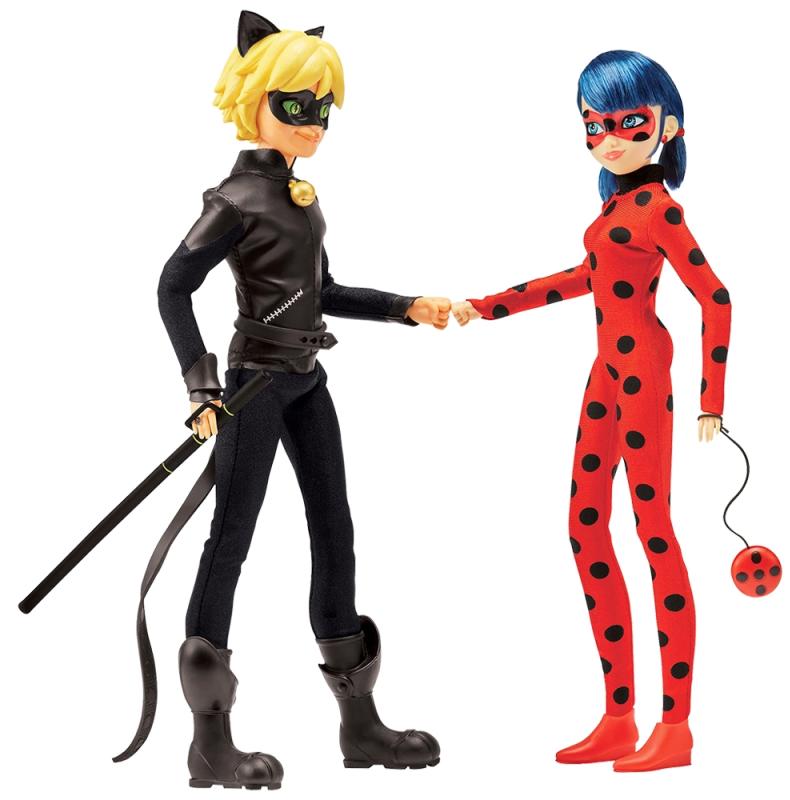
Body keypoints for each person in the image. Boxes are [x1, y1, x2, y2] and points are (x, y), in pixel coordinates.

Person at [129, 11, 447, 789]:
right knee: (230, 541)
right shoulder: (236, 199)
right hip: (256, 386)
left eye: (322, 107)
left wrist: (404, 306)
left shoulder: (300, 197)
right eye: (296, 105)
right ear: (255, 101)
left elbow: (320, 292)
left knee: (335, 529)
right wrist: (202, 385)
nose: (314, 122)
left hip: (306, 380)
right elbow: (172, 286)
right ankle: (210, 742)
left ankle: (360, 725)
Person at [452, 50, 731, 772]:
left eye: (628, 123)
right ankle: (618, 714)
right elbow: (585, 278)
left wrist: (712, 401)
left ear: (667, 126)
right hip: (606, 373)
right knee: (584, 527)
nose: (608, 139)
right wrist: (490, 305)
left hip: (643, 372)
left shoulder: (660, 209)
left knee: (654, 531)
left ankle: (676, 726)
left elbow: (716, 297)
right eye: (593, 125)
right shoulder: (615, 209)